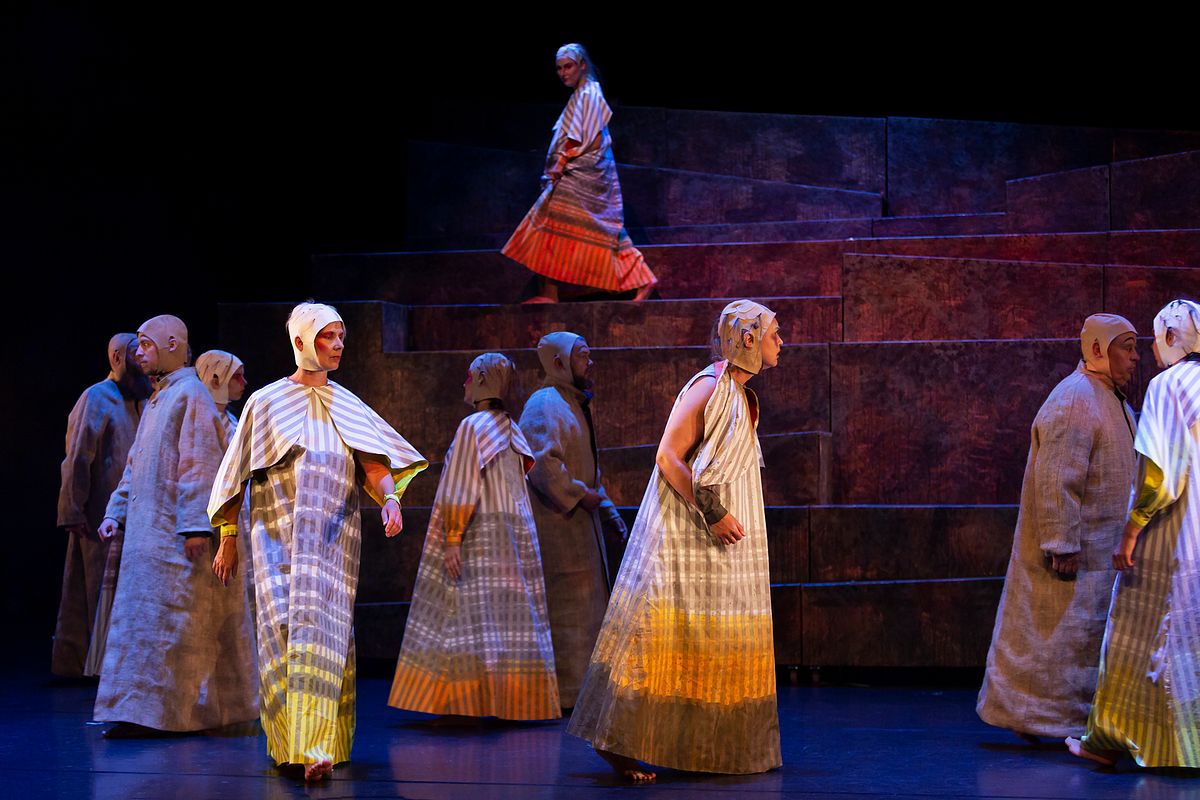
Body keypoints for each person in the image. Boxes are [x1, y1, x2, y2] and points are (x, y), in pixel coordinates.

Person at [207, 302, 427, 783]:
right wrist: (228, 538)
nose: (339, 344)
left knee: (324, 634)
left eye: (342, 335)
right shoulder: (266, 402)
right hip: (275, 541)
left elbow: (374, 463)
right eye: (329, 336)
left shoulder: (346, 404)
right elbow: (235, 474)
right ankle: (292, 744)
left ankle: (317, 747)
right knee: (281, 633)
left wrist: (391, 499)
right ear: (301, 341)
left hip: (332, 542)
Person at [567, 300, 784, 781]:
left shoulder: (738, 394)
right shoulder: (709, 385)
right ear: (747, 338)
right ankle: (617, 741)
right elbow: (668, 455)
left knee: (709, 635)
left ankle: (709, 746)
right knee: (658, 628)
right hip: (687, 529)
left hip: (717, 537)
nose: (780, 342)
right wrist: (713, 513)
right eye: (774, 333)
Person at [976, 314, 1140, 742]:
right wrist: (1061, 541)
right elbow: (1056, 477)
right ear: (1098, 349)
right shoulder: (1075, 398)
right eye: (1127, 347)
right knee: (1051, 638)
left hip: (1099, 552)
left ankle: (1068, 721)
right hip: (1072, 554)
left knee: (1077, 642)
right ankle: (1035, 718)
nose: (1135, 357)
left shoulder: (1111, 399)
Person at [94, 315, 257, 736]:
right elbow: (134, 465)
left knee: (172, 627)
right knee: (142, 626)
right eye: (138, 345)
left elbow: (199, 465)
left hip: (172, 538)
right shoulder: (159, 398)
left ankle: (165, 716)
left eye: (147, 344)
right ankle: (138, 712)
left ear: (172, 344)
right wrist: (114, 513)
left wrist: (195, 527)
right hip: (146, 538)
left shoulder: (190, 395)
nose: (139, 352)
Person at [388, 353, 560, 721]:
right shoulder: (510, 428)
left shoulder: (473, 426)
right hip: (514, 534)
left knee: (470, 615)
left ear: (481, 381)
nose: (464, 384)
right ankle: (508, 700)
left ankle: (467, 701)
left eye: (469, 377)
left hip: (479, 529)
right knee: (505, 617)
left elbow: (461, 483)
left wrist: (453, 537)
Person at [1068, 299, 1200, 768]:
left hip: (1174, 534)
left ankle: (1108, 740)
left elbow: (1161, 476)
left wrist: (1131, 531)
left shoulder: (1170, 385)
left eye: (1155, 340)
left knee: (1139, 631)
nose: (1150, 353)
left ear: (1171, 337)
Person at [519, 331, 626, 709]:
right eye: (582, 355)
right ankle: (564, 695)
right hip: (558, 527)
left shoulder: (573, 404)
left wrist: (607, 510)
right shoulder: (544, 404)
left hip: (580, 527)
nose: (589, 362)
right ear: (559, 362)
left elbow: (588, 469)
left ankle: (583, 693)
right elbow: (541, 464)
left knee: (584, 613)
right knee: (565, 613)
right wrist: (580, 494)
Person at [501, 43, 657, 303]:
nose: (563, 73)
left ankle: (641, 278)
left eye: (569, 66)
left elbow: (591, 140)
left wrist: (561, 163)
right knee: (559, 225)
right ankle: (550, 292)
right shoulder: (580, 94)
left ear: (583, 65)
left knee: (588, 227)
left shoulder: (590, 93)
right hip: (575, 172)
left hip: (583, 174)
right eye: (559, 68)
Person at [53, 333, 150, 677]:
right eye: (136, 355)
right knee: (92, 588)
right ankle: (89, 666)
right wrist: (72, 509)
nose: (142, 362)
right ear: (118, 358)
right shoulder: (97, 397)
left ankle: (116, 665)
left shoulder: (144, 400)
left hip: (133, 513)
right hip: (97, 512)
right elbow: (78, 456)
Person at [194, 349, 247, 436]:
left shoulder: (230, 417)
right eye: (236, 377)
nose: (244, 382)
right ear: (215, 382)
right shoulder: (202, 421)